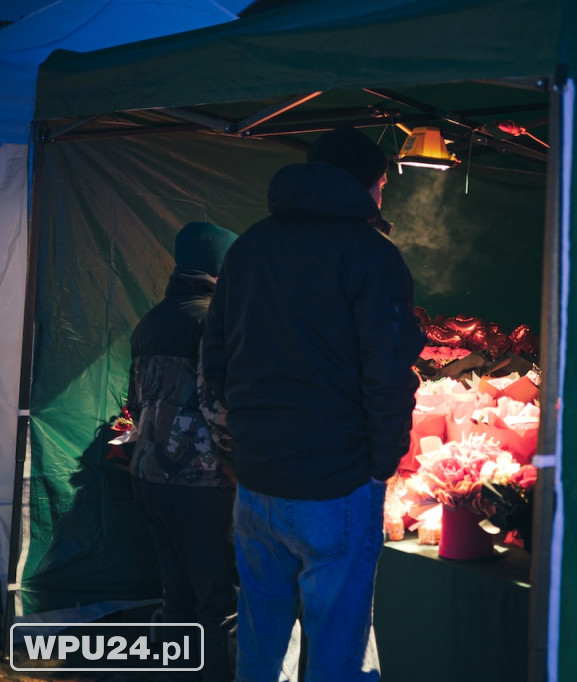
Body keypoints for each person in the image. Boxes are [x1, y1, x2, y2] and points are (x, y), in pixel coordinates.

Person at [201, 128, 425, 681]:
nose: (382, 195)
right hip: (335, 482)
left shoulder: (249, 246)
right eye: (382, 184)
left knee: (261, 637)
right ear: (369, 184)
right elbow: (387, 373)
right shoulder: (371, 255)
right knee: (337, 644)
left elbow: (215, 356)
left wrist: (238, 443)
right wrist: (382, 464)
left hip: (258, 478)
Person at [126, 220, 239, 682]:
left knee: (178, 598)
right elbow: (221, 407)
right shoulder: (213, 321)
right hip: (202, 481)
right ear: (220, 269)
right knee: (219, 604)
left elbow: (135, 405)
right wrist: (238, 464)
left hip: (148, 476)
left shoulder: (150, 321)